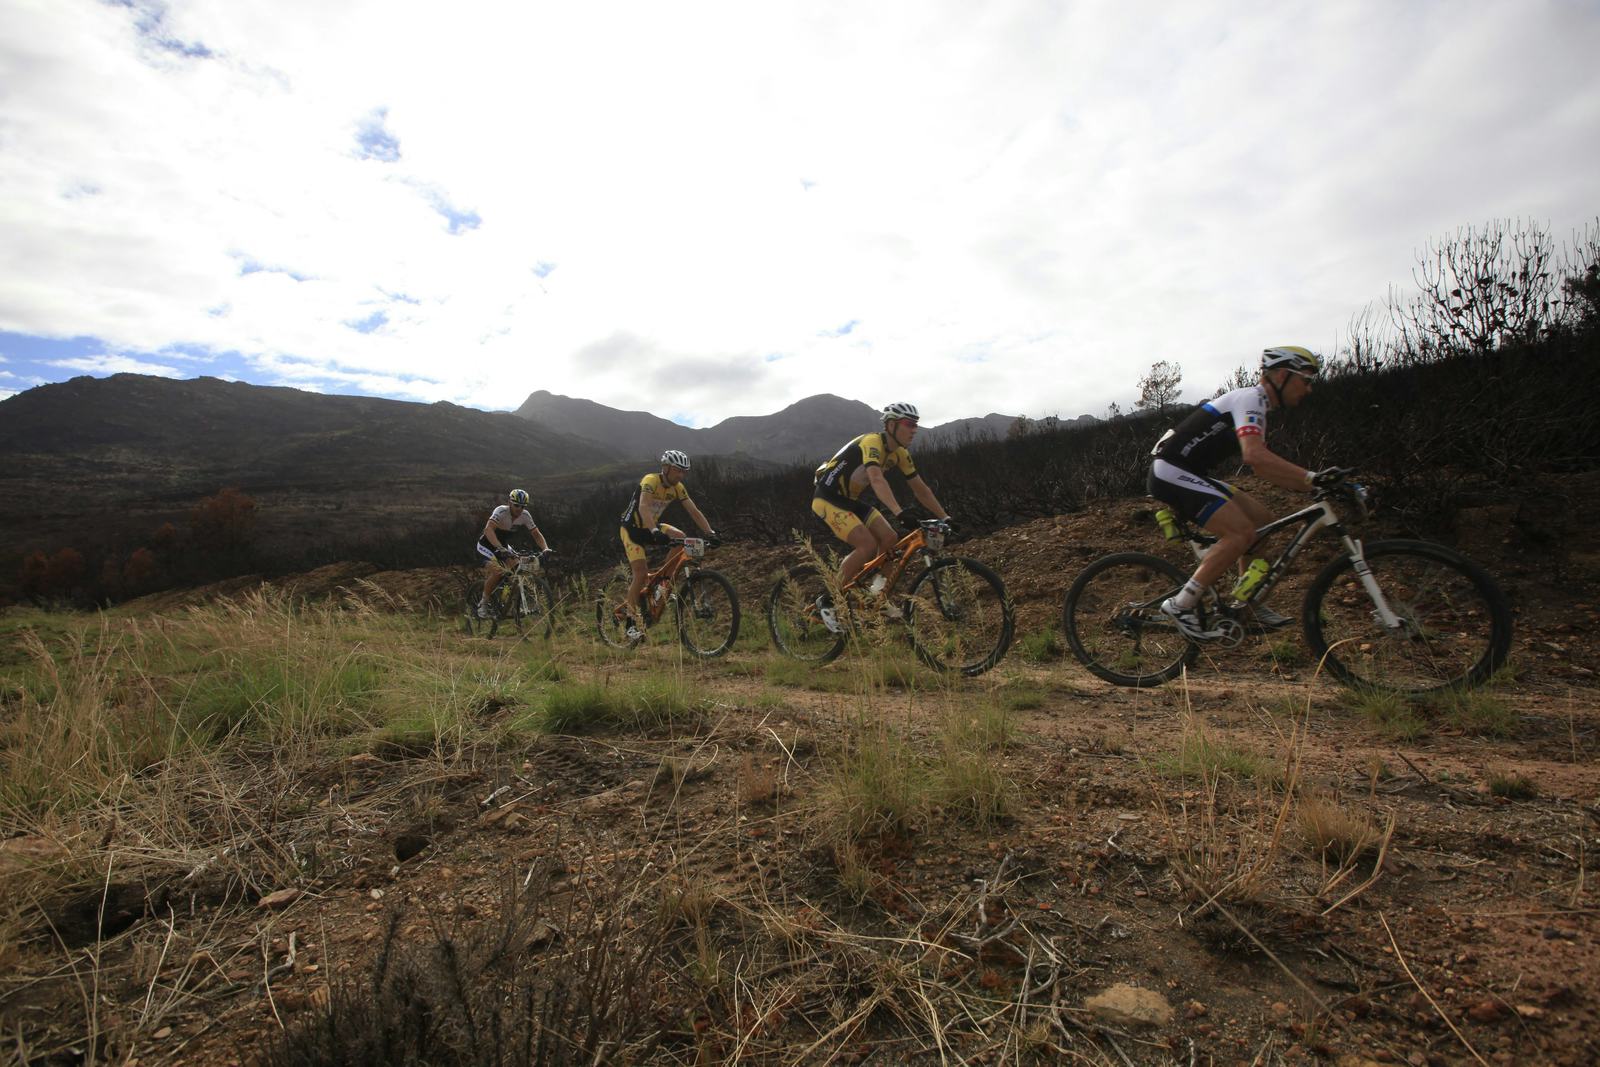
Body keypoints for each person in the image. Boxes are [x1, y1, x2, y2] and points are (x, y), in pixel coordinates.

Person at [1147, 345, 1331, 639]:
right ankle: (1181, 604)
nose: (1308, 389)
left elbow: (1262, 466)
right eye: (1306, 380)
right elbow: (1255, 457)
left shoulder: (1257, 403)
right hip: (1170, 471)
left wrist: (1311, 483)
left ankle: (1246, 604)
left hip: (1186, 472)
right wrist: (1313, 478)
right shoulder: (1251, 398)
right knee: (1240, 533)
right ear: (1283, 375)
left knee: (1263, 523)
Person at [811, 403, 950, 626]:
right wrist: (899, 512)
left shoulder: (901, 454)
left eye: (916, 424)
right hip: (826, 498)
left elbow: (921, 489)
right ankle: (826, 600)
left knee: (889, 537)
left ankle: (877, 595)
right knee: (865, 545)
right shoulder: (872, 443)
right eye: (909, 424)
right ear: (892, 425)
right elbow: (876, 478)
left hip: (850, 501)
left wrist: (946, 517)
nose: (914, 429)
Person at [617, 450, 717, 641]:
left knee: (681, 538)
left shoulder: (678, 487)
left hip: (652, 526)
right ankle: (630, 625)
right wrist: (654, 531)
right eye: (678, 471)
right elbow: (643, 506)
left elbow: (694, 511)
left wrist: (710, 533)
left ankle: (661, 584)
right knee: (640, 573)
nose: (681, 475)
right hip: (632, 530)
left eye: (684, 472)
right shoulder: (650, 480)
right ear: (666, 468)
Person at [476, 489, 552, 618]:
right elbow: (488, 529)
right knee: (498, 571)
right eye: (516, 505)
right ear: (509, 503)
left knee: (518, 569)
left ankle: (510, 600)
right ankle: (483, 604)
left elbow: (536, 534)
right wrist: (499, 547)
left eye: (522, 506)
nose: (519, 509)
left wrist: (545, 548)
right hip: (487, 545)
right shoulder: (501, 511)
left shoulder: (525, 516)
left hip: (503, 546)